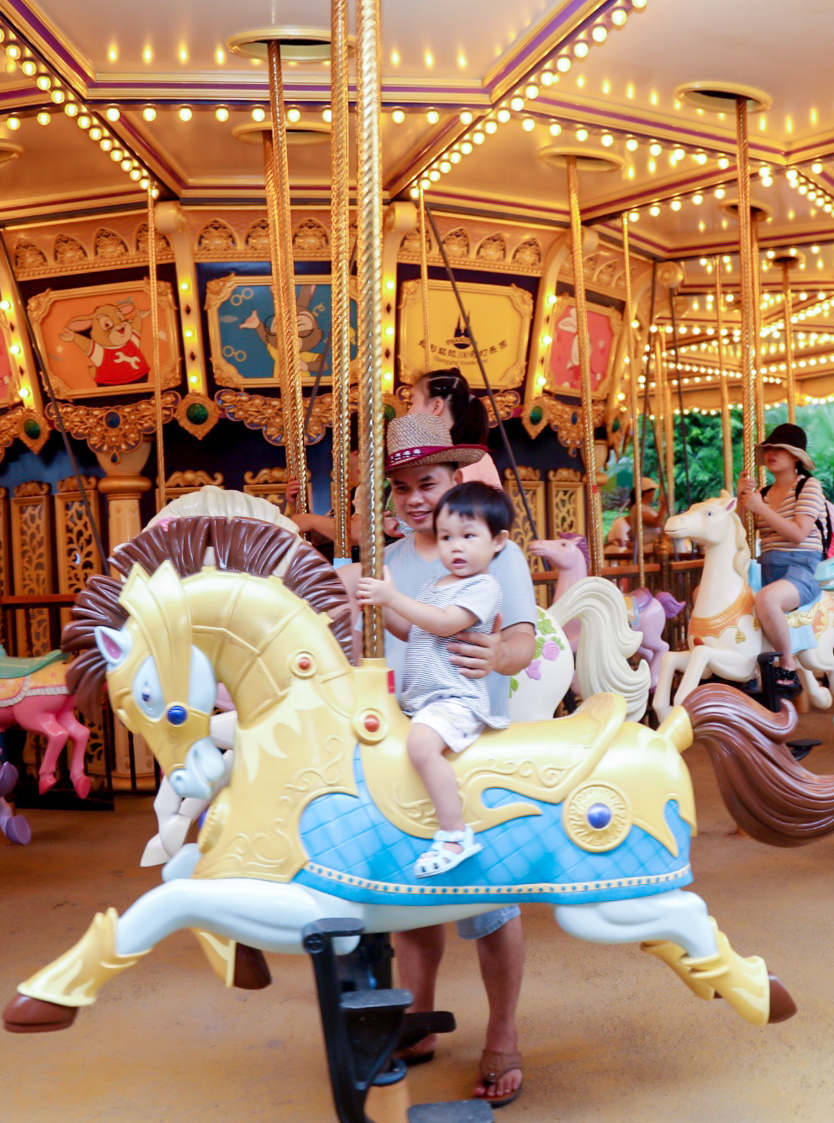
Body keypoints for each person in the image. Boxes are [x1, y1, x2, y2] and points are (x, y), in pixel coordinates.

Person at [339, 412, 535, 1107]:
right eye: (401, 488)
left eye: (428, 483)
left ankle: (503, 1033)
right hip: (405, 728)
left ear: (456, 479)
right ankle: (417, 1020)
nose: (415, 499)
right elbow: (385, 629)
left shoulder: (493, 550)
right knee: (410, 886)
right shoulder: (389, 560)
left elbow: (523, 641)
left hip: (466, 729)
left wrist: (498, 652)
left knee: (488, 898)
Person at [356, 482, 513, 878]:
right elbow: (413, 631)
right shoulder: (435, 584)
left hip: (456, 699)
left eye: (468, 536)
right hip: (424, 700)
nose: (455, 547)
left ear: (497, 541)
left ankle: (455, 835)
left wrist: (393, 598)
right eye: (446, 537)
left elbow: (444, 623)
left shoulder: (483, 587)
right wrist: (379, 608)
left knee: (421, 746)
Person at [737, 422, 827, 692]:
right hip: (766, 568)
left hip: (801, 568)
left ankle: (787, 666)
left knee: (768, 599)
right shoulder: (762, 495)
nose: (771, 453)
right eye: (768, 449)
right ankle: (742, 667)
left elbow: (799, 533)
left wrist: (760, 509)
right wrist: (742, 499)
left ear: (796, 456)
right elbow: (741, 533)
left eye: (780, 449)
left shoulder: (808, 487)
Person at [409, 367, 503, 488]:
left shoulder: (471, 461)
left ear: (436, 407)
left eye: (411, 403)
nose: (407, 413)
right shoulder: (426, 455)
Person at [628, 476, 666, 549]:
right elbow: (655, 523)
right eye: (653, 491)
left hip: (653, 543)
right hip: (646, 545)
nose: (654, 494)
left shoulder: (647, 507)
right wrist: (663, 507)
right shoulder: (638, 507)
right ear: (646, 493)